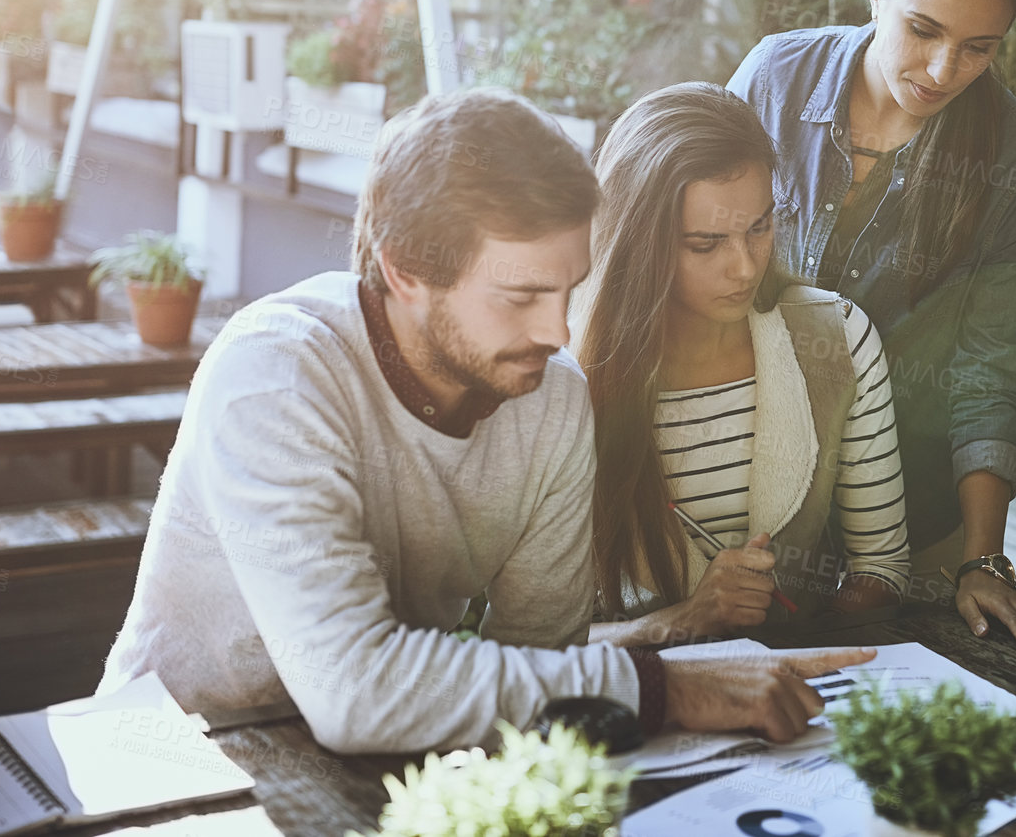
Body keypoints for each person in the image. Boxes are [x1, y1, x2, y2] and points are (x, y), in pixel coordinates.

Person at [98, 88, 870, 754]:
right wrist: (666, 683)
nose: (557, 333)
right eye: (520, 295)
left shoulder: (553, 396)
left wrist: (648, 654)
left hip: (394, 764)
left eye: (565, 290)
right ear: (405, 270)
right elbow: (353, 688)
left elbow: (542, 664)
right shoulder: (274, 373)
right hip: (175, 759)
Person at [729, 0, 1016, 656]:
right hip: (742, 491)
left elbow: (988, 377)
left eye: (980, 47)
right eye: (922, 29)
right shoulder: (772, 79)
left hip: (909, 521)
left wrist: (982, 560)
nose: (943, 69)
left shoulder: (1014, 163)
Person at [575, 83, 910, 645]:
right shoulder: (565, 379)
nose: (744, 268)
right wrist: (677, 625)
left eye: (760, 227)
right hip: (630, 706)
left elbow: (882, 566)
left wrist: (804, 648)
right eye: (705, 244)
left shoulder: (836, 338)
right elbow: (524, 649)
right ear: (636, 244)